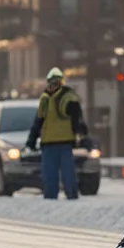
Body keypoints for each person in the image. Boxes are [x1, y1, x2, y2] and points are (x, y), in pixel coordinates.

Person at [25, 67, 88, 199]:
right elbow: (78, 120)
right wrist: (82, 136)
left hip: (55, 143)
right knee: (61, 172)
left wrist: (31, 141)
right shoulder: (65, 98)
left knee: (55, 173)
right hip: (57, 142)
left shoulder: (55, 98)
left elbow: (38, 122)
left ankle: (60, 195)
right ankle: (65, 195)